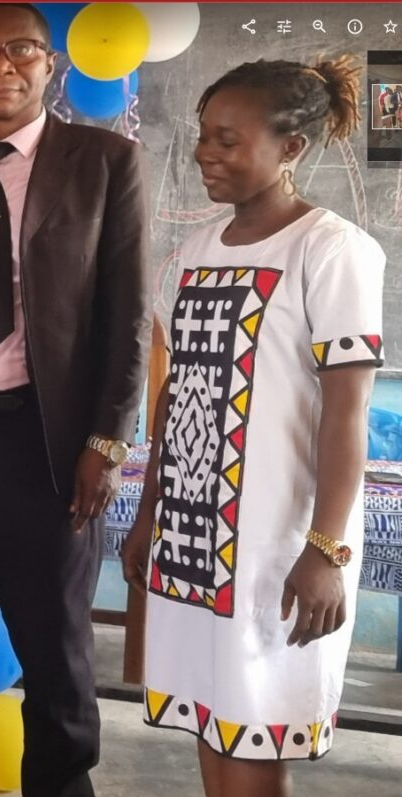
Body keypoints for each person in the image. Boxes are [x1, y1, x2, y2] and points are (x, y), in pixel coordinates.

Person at [0, 4, 151, 796]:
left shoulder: (104, 161)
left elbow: (127, 313)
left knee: (54, 642)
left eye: (20, 49)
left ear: (52, 64)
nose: (0, 65)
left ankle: (61, 784)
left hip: (45, 441)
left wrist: (106, 442)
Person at [122, 56, 380, 797]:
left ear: (290, 148)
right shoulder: (195, 254)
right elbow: (177, 395)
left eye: (228, 140)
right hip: (196, 538)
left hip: (275, 546)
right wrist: (149, 514)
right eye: (204, 135)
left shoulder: (330, 250)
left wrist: (326, 550)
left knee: (258, 732)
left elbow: (347, 412)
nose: (205, 153)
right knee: (217, 725)